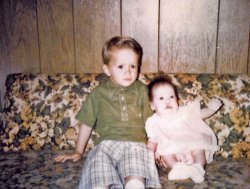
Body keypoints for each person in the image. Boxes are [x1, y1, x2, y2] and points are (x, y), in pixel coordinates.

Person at [54, 36, 161, 189]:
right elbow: (87, 123)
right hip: (106, 145)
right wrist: (78, 151)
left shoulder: (142, 91)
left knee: (136, 172)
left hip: (135, 144)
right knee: (97, 163)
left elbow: (153, 124)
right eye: (120, 67)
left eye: (133, 66)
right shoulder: (99, 93)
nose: (128, 72)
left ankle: (135, 184)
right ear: (107, 69)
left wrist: (159, 149)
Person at [145, 76, 221, 183]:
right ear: (152, 105)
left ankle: (198, 167)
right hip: (172, 151)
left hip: (191, 142)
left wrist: (211, 109)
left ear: (177, 99)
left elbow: (199, 115)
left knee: (199, 148)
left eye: (171, 97)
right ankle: (178, 168)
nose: (167, 101)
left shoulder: (184, 111)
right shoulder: (153, 121)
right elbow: (152, 140)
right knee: (165, 153)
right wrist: (148, 153)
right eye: (161, 98)